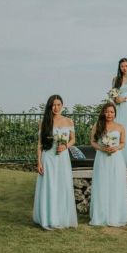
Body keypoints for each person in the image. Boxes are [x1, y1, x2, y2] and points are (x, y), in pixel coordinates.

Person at [33, 94, 78, 230]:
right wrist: (39, 162)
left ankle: (61, 216)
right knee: (49, 186)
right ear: (49, 106)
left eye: (58, 105)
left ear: (62, 106)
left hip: (62, 157)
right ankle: (48, 217)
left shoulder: (69, 121)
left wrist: (65, 146)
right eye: (53, 105)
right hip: (48, 157)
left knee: (61, 185)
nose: (56, 107)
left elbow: (73, 140)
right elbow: (40, 144)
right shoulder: (44, 122)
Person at [89, 102, 127, 227]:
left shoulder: (120, 127)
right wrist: (101, 148)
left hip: (116, 159)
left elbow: (123, 143)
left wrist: (116, 148)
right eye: (107, 111)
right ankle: (101, 215)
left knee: (115, 184)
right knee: (101, 184)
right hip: (101, 158)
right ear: (103, 113)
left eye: (111, 112)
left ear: (115, 113)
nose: (109, 114)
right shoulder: (97, 125)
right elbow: (93, 142)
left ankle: (115, 215)